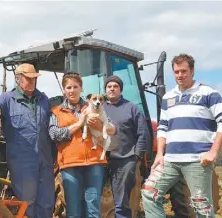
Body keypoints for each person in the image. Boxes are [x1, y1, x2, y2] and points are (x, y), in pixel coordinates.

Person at [141, 53, 222, 218]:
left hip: (197, 160)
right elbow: (163, 127)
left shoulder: (208, 93)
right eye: (176, 72)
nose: (180, 75)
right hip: (171, 160)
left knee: (202, 207)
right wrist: (159, 154)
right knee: (149, 193)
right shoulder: (168, 97)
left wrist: (213, 152)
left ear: (192, 71)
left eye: (184, 71)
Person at [0, 63, 55, 218]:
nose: (32, 82)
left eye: (34, 79)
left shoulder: (43, 99)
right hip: (22, 161)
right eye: (28, 79)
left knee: (47, 202)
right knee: (27, 203)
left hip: (45, 160)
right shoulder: (7, 99)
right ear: (18, 79)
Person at [48, 72, 116, 218]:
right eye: (68, 87)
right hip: (70, 164)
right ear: (64, 90)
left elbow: (112, 129)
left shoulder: (94, 106)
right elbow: (54, 135)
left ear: (81, 88)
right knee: (73, 210)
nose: (72, 90)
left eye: (75, 87)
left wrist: (98, 125)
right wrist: (79, 123)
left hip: (94, 162)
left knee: (93, 209)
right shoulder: (56, 111)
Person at [99, 75, 149, 218]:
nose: (112, 89)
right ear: (105, 90)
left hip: (124, 159)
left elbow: (142, 134)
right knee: (94, 197)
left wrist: (136, 157)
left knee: (122, 201)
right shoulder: (99, 108)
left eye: (115, 86)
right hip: (100, 160)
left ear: (120, 89)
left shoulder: (132, 109)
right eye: (109, 86)